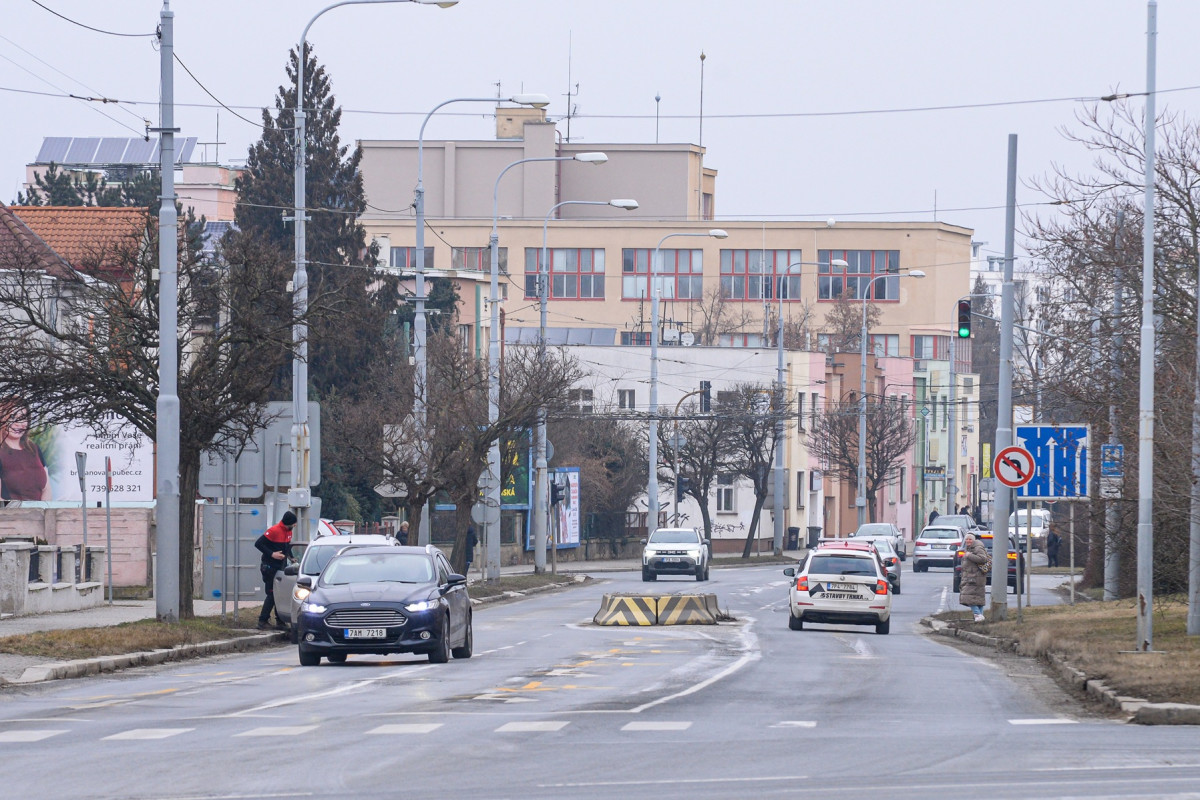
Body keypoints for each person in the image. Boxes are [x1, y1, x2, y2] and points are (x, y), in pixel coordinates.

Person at [0, 404, 51, 503]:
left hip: (40, 515)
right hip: (11, 516)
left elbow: (47, 489)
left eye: (23, 418)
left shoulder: (34, 449)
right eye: (12, 417)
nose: (19, 423)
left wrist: (42, 511)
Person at [255, 510, 296, 630]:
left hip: (280, 567)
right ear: (288, 523)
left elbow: (286, 546)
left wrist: (291, 557)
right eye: (293, 524)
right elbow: (258, 544)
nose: (295, 526)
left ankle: (280, 621)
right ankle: (262, 621)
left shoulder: (288, 532)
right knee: (272, 594)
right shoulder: (274, 530)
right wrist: (272, 554)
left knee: (280, 594)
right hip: (269, 567)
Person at [959, 532, 989, 622]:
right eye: (967, 539)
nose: (968, 541)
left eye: (970, 539)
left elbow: (983, 559)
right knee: (977, 598)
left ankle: (977, 614)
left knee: (968, 597)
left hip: (974, 577)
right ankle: (980, 617)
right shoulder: (969, 548)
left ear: (974, 540)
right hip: (972, 577)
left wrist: (969, 555)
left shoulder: (977, 548)